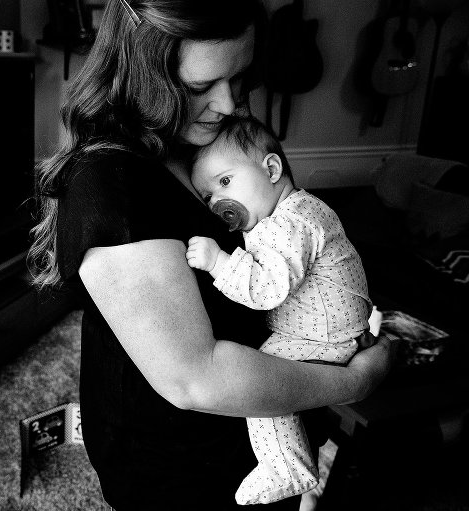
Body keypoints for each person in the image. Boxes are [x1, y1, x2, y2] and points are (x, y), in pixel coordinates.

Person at [27, 1, 394, 509]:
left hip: (262, 412)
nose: (230, 105)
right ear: (141, 72)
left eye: (238, 77)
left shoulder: (192, 135)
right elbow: (195, 378)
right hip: (186, 463)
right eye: (200, 87)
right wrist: (351, 382)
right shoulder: (109, 185)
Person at [186, 115, 373, 505]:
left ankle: (288, 466)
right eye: (208, 196)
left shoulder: (286, 226)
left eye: (225, 182)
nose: (219, 202)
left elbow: (267, 289)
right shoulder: (299, 208)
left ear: (271, 169)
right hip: (330, 329)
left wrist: (219, 262)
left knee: (261, 383)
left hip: (322, 336)